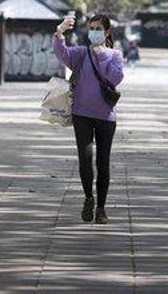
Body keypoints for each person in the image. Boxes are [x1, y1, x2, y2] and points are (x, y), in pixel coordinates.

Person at [53, 13, 124, 225]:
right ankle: (88, 198)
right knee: (85, 159)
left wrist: (102, 53)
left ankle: (101, 208)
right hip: (81, 114)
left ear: (107, 32)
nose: (93, 32)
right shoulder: (81, 53)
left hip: (106, 116)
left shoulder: (115, 55)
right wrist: (60, 31)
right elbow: (61, 53)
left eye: (98, 29)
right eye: (91, 29)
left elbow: (115, 77)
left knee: (103, 162)